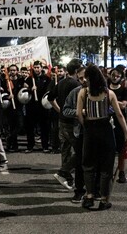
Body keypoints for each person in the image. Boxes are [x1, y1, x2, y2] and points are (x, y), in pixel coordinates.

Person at [77, 64, 127, 210]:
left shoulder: (83, 92)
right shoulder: (109, 93)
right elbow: (119, 114)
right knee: (106, 167)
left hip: (90, 130)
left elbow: (78, 114)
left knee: (88, 165)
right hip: (106, 130)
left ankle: (89, 196)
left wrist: (86, 125)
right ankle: (104, 199)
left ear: (89, 78)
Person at [48, 58, 82, 190]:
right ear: (76, 70)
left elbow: (51, 98)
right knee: (78, 150)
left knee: (65, 150)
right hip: (72, 122)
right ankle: (65, 173)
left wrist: (60, 111)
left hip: (62, 120)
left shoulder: (61, 83)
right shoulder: (75, 85)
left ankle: (66, 178)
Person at [62, 66, 86, 203]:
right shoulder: (75, 92)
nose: (83, 80)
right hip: (80, 132)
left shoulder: (102, 91)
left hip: (98, 132)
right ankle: (79, 191)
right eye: (80, 78)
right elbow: (66, 111)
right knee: (80, 164)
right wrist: (79, 112)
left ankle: (95, 191)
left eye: (85, 77)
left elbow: (112, 107)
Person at [108, 67, 127, 183]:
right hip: (107, 120)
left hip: (120, 122)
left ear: (121, 77)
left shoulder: (124, 90)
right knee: (109, 149)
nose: (115, 78)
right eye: (113, 75)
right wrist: (118, 102)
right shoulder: (106, 88)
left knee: (122, 149)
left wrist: (111, 100)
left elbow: (123, 105)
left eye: (117, 76)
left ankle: (121, 173)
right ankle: (108, 173)